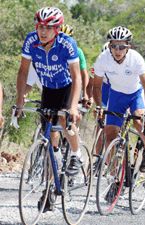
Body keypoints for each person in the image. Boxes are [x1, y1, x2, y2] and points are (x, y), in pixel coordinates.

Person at [15, 7, 82, 179]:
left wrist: (73, 107)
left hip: (67, 87)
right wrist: (20, 101)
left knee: (64, 119)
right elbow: (23, 72)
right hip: (48, 88)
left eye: (48, 27)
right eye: (40, 27)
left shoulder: (67, 43)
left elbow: (77, 77)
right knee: (49, 132)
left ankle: (76, 155)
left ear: (57, 29)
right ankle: (52, 179)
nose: (43, 31)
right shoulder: (31, 40)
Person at [93, 26, 145, 172]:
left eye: (122, 47)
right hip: (116, 95)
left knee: (140, 123)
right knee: (109, 135)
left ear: (128, 46)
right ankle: (114, 176)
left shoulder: (136, 59)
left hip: (135, 94)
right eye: (114, 46)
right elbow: (96, 87)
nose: (118, 50)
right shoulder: (103, 59)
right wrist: (99, 106)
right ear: (109, 46)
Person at [61, 24, 91, 108]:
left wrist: (85, 93)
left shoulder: (78, 51)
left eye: (66, 39)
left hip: (73, 84)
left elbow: (84, 74)